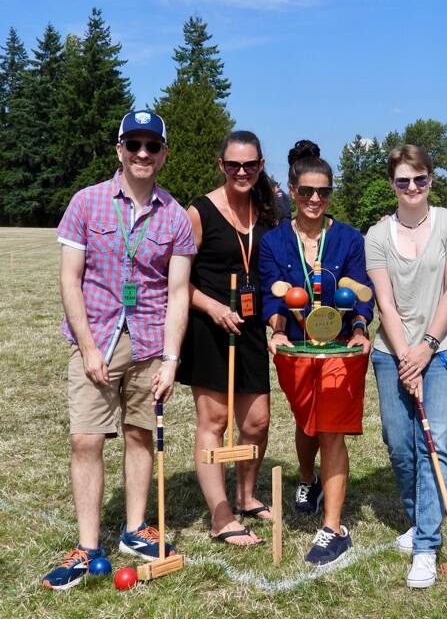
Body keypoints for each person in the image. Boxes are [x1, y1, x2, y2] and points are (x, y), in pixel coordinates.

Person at [43, 110, 195, 590]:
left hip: (151, 344)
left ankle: (134, 530)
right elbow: (69, 278)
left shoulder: (175, 216)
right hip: (98, 340)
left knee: (139, 435)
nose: (143, 154)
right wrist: (88, 347)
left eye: (152, 145)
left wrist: (171, 359)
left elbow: (178, 293)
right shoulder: (86, 203)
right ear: (120, 150)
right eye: (134, 144)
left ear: (164, 153)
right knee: (85, 440)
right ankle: (88, 547)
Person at [260, 140, 373, 566]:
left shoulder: (348, 238)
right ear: (291, 189)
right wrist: (277, 329)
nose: (314, 199)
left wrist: (360, 326)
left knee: (330, 428)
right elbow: (272, 299)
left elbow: (363, 292)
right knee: (306, 422)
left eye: (323, 192)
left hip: (341, 351)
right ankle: (307, 479)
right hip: (294, 349)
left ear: (331, 194)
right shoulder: (274, 242)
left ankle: (333, 528)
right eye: (306, 191)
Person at [365, 144, 447, 588]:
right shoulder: (377, 235)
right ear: (392, 184)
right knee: (399, 443)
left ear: (431, 179)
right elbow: (385, 302)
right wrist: (407, 355)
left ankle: (426, 547)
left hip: (444, 348)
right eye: (403, 180)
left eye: (420, 179)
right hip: (392, 353)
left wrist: (426, 347)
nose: (412, 187)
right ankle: (420, 518)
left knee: (435, 443)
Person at [176, 131, 276, 547]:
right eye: (233, 165)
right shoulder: (197, 212)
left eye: (249, 165)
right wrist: (213, 308)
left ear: (260, 166)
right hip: (210, 327)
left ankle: (246, 496)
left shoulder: (268, 210)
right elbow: (178, 281)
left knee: (257, 421)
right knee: (214, 422)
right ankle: (220, 516)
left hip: (250, 326)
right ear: (221, 165)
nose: (241, 171)